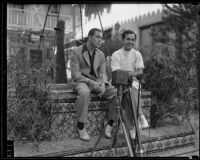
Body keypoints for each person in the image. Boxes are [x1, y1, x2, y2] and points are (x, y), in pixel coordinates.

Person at [70, 28, 117, 141]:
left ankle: (110, 124)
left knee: (116, 92)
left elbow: (102, 73)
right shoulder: (76, 51)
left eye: (102, 38)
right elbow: (75, 75)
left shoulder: (101, 54)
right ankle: (81, 126)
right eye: (98, 37)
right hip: (81, 81)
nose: (101, 40)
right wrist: (91, 82)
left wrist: (101, 84)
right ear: (89, 37)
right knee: (85, 93)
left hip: (96, 81)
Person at [111, 29, 149, 140]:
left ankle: (131, 128)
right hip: (119, 84)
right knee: (128, 91)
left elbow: (140, 72)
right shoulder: (116, 54)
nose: (130, 41)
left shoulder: (137, 54)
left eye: (132, 40)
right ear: (123, 39)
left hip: (134, 84)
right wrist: (132, 73)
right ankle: (140, 116)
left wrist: (127, 74)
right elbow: (117, 73)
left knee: (130, 92)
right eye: (128, 39)